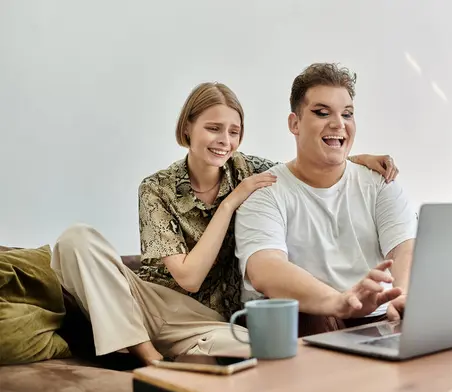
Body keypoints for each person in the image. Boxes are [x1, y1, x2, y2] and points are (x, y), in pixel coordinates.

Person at [50, 80, 401, 365]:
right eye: (214, 128)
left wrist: (356, 159)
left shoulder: (250, 170)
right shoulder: (156, 188)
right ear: (188, 127)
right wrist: (231, 201)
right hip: (148, 301)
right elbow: (188, 277)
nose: (225, 141)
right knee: (76, 239)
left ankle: (180, 357)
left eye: (234, 131)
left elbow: (305, 164)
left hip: (207, 322)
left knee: (266, 357)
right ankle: (146, 353)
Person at [235, 63, 417, 336]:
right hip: (311, 324)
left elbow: (405, 248)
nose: (338, 124)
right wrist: (340, 302)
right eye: (322, 113)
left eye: (347, 114)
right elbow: (265, 268)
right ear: (294, 124)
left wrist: (400, 296)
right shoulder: (266, 190)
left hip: (381, 320)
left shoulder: (380, 182)